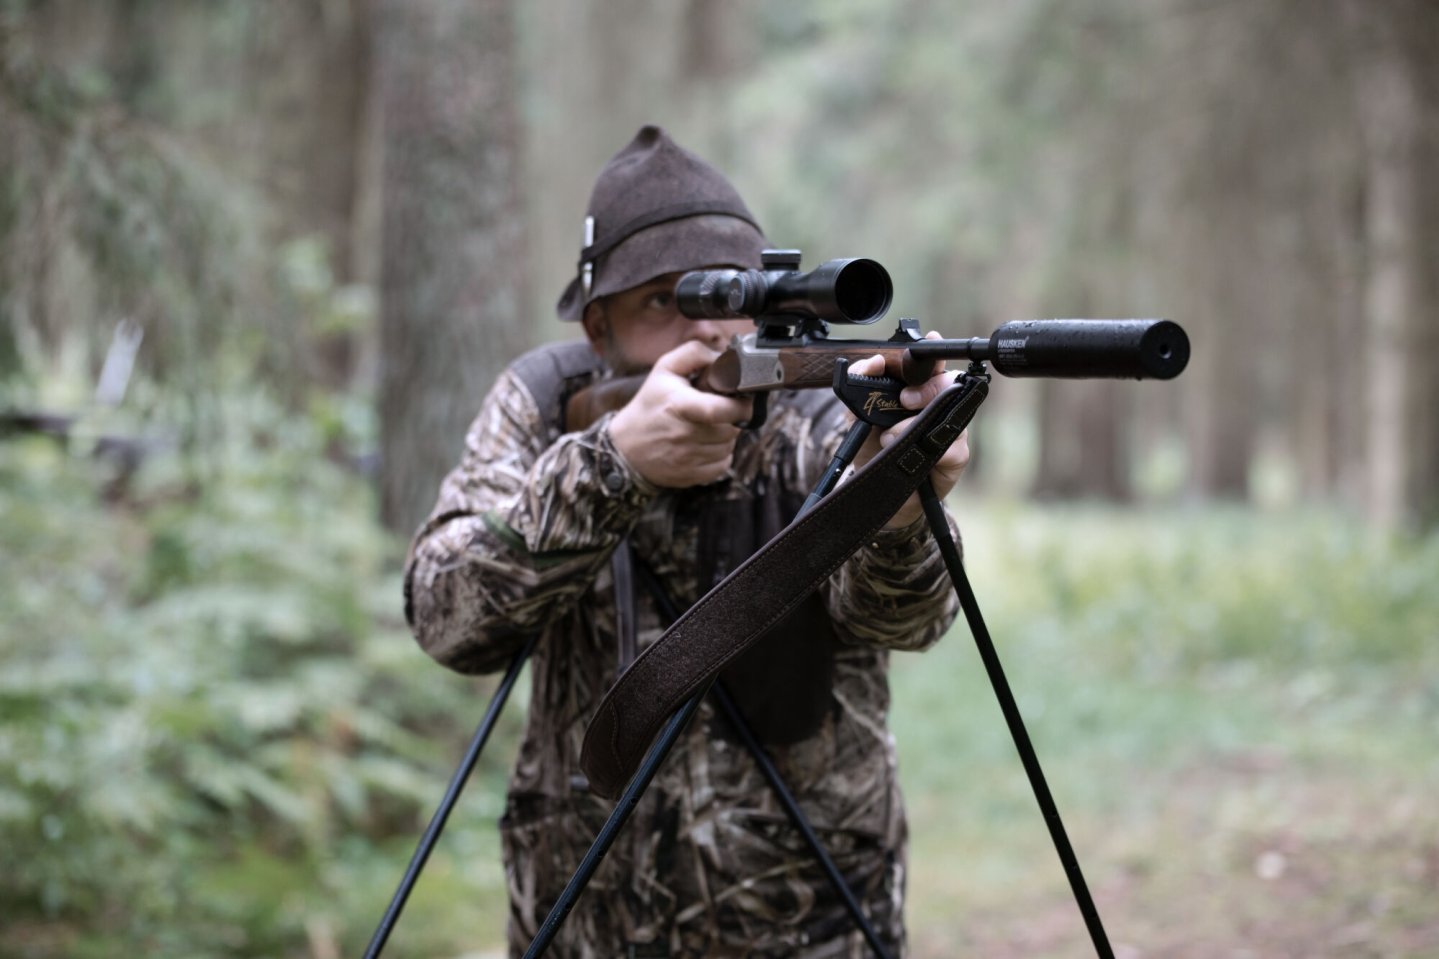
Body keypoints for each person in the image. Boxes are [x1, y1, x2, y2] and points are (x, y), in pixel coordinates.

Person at [404, 125, 969, 958]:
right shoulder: (544, 402)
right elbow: (443, 615)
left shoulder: (824, 412)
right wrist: (610, 467)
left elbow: (906, 623)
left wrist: (898, 508)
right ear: (598, 330)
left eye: (726, 297)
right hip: (583, 917)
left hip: (807, 917)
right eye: (660, 302)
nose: (706, 331)